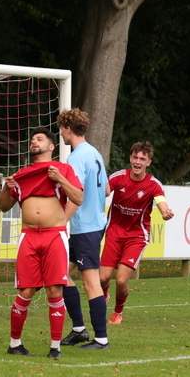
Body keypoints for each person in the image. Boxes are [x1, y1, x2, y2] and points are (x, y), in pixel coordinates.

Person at [0, 128, 83, 358]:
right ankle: (14, 344)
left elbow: (78, 198)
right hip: (28, 236)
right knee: (25, 291)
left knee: (54, 290)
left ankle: (55, 348)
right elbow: (4, 206)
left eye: (39, 139)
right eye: (32, 140)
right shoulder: (22, 173)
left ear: (52, 146)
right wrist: (6, 188)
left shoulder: (63, 169)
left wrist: (60, 179)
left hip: (54, 235)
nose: (34, 142)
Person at [98, 142, 173, 323]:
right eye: (135, 158)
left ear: (148, 162)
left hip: (136, 237)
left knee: (121, 280)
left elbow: (161, 202)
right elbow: (105, 191)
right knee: (102, 278)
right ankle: (105, 294)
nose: (138, 162)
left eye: (142, 159)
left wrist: (165, 212)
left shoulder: (153, 184)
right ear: (130, 158)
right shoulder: (119, 176)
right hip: (114, 233)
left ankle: (117, 312)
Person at [56, 109, 111, 350]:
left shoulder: (76, 156)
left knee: (90, 283)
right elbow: (106, 190)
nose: (61, 134)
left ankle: (101, 339)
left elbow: (76, 194)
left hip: (86, 228)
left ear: (68, 129)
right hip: (90, 225)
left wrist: (60, 222)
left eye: (61, 129)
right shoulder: (94, 153)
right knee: (61, 275)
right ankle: (79, 329)